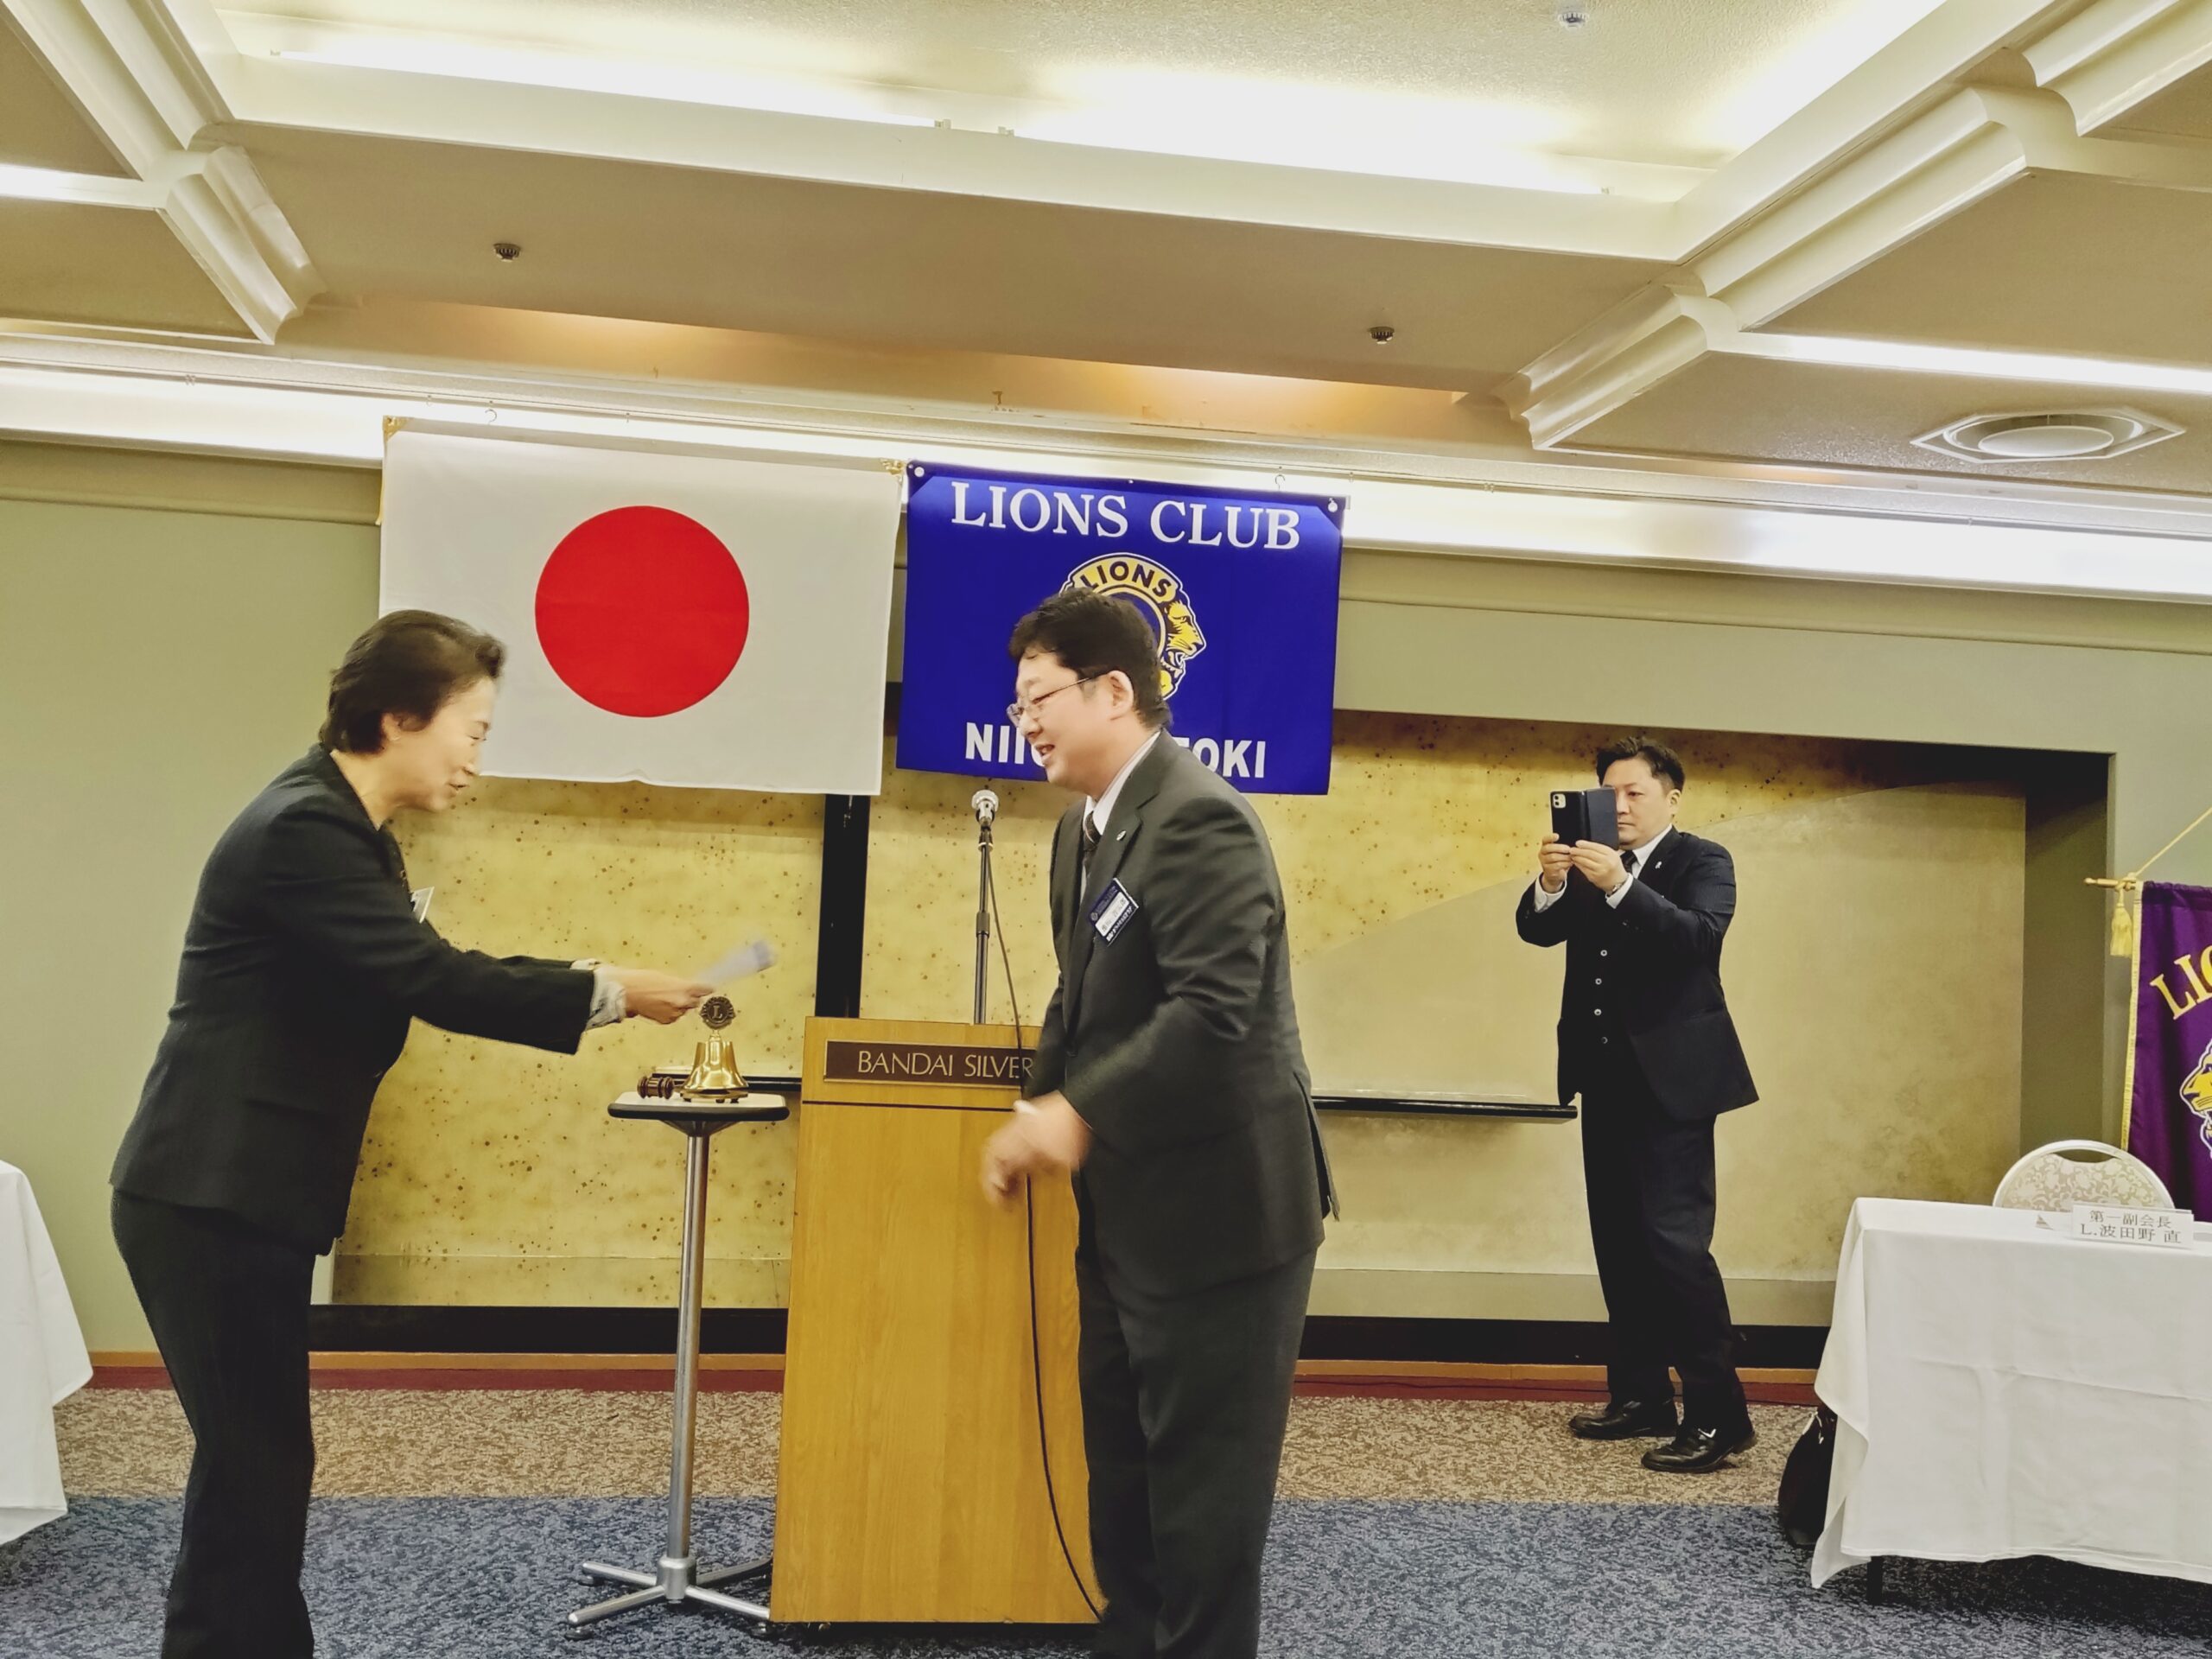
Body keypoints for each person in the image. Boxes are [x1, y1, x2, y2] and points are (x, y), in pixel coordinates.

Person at [109, 609, 711, 1657]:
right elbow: (433, 979)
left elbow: (426, 967)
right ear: (398, 718)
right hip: (208, 1192)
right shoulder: (305, 830)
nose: (477, 757)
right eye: (471, 730)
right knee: (256, 1461)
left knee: (253, 1460)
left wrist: (596, 982)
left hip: (233, 1193)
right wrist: (613, 989)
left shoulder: (350, 832)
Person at [980, 588, 1333, 1659]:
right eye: (1018, 703)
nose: (1023, 722)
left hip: (1222, 1220)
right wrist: (1038, 1102)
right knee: (1125, 1476)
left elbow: (1213, 1012)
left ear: (1112, 691)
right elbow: (1080, 997)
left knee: (1201, 1499)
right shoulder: (1082, 831)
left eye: (1038, 698)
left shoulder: (1199, 816)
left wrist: (1077, 1113)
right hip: (1128, 1216)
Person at [1516, 735, 1758, 1472]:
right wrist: (1553, 881)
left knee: (1675, 1250)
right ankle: (1642, 1395)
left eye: (1634, 793)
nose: (1618, 807)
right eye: (1609, 793)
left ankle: (1720, 1415)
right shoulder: (1591, 863)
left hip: (1674, 1088)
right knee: (1619, 1246)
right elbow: (1537, 929)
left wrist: (1620, 884)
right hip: (1605, 1080)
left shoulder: (1703, 861)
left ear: (1671, 799)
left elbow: (1697, 938)